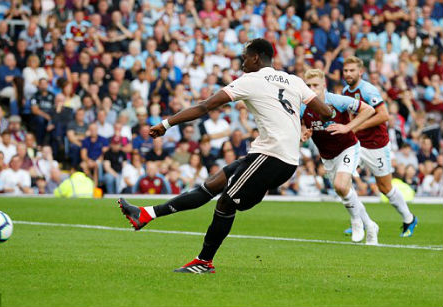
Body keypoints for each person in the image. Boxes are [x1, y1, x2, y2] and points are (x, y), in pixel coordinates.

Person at [118, 38, 333, 273]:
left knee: (226, 202)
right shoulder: (294, 80)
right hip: (276, 156)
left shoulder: (250, 80)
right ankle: (146, 214)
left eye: (244, 57)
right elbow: (325, 112)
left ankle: (204, 262)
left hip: (272, 156)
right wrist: (304, 126)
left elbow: (204, 107)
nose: (241, 62)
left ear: (256, 58)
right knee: (212, 185)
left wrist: (166, 123)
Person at [342, 56, 417, 237]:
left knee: (385, 188)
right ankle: (359, 221)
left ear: (361, 72)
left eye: (352, 70)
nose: (348, 74)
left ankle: (409, 218)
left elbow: (383, 115)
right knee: (343, 182)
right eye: (345, 70)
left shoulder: (368, 90)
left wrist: (357, 126)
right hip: (357, 144)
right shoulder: (345, 91)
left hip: (377, 145)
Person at [301, 69, 378, 244]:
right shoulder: (303, 106)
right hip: (327, 156)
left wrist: (347, 127)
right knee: (344, 191)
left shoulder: (336, 100)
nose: (312, 89)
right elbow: (300, 125)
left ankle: (356, 222)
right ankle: (371, 225)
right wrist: (303, 133)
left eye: (315, 85)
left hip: (347, 147)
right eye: (308, 86)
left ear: (323, 85)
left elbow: (369, 110)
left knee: (340, 186)